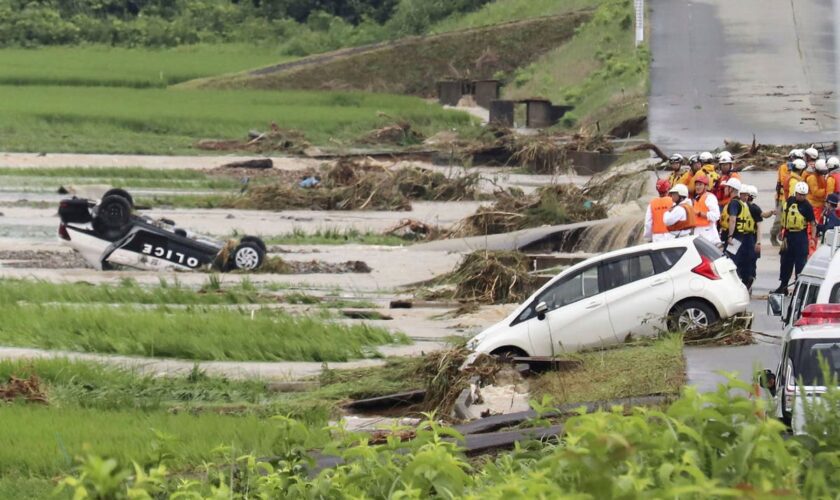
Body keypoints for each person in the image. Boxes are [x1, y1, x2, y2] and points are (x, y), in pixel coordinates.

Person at [774, 181, 817, 294]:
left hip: (800, 236)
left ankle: (799, 287)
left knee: (800, 263)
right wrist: (781, 231)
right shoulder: (789, 201)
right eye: (799, 194)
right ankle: (783, 286)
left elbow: (813, 223)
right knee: (785, 261)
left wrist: (812, 239)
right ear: (795, 193)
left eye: (803, 195)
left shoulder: (807, 206)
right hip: (788, 235)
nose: (801, 196)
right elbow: (785, 217)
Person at [722, 179, 757, 290]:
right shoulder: (744, 204)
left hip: (736, 237)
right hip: (744, 237)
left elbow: (732, 219)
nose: (725, 189)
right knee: (742, 260)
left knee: (730, 260)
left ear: (732, 189)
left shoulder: (734, 203)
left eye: (727, 187)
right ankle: (747, 279)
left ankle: (735, 285)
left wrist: (730, 236)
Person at [772, 149, 803, 246]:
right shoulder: (784, 167)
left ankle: (783, 236)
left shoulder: (799, 170)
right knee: (779, 219)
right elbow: (784, 180)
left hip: (790, 197)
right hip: (781, 197)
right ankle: (773, 237)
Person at [691, 174, 721, 244]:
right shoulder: (697, 198)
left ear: (706, 186)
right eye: (696, 185)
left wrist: (699, 213)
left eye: (700, 185)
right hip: (698, 231)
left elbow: (716, 216)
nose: (697, 187)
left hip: (708, 232)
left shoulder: (710, 197)